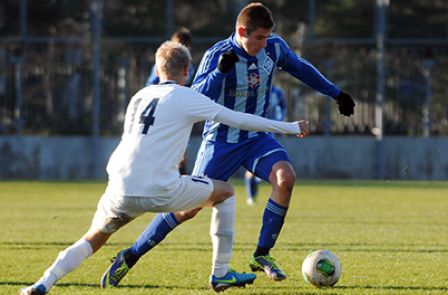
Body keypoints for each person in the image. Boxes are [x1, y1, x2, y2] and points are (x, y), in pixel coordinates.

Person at [20, 41, 309, 295]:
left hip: (119, 188)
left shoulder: (139, 96)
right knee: (225, 193)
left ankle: (43, 283)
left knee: (92, 239)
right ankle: (221, 273)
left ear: (158, 71)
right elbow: (241, 120)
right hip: (161, 187)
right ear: (187, 72)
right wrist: (289, 127)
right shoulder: (188, 96)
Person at [101, 1, 354, 287]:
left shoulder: (274, 47)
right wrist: (220, 72)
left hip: (257, 138)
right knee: (188, 209)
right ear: (242, 31)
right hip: (221, 141)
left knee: (285, 178)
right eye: (258, 38)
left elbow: (300, 68)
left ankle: (261, 254)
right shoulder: (218, 54)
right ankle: (131, 255)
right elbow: (192, 97)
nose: (263, 43)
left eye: (267, 37)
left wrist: (336, 93)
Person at [146, 27, 195, 174]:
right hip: (164, 110)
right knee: (163, 148)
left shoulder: (190, 66)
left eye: (184, 47)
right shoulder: (162, 65)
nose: (180, 50)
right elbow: (150, 86)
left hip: (180, 111)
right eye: (178, 46)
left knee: (182, 150)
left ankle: (180, 179)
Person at [245, 84, 286, 205]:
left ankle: (261, 189)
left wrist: (280, 123)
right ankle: (251, 196)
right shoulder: (254, 89)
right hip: (254, 132)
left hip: (270, 132)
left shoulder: (277, 92)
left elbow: (283, 107)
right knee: (251, 169)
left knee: (275, 166)